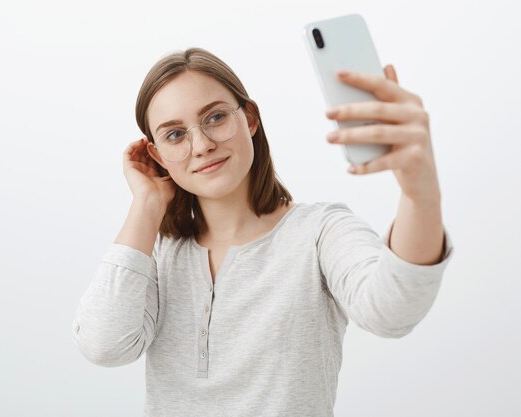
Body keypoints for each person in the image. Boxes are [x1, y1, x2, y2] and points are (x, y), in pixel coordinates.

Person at [72, 47, 454, 417]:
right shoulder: (155, 253)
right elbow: (104, 346)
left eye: (215, 117)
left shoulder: (321, 232)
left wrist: (421, 194)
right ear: (156, 156)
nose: (202, 145)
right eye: (174, 135)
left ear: (250, 119)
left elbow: (391, 312)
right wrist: (147, 204)